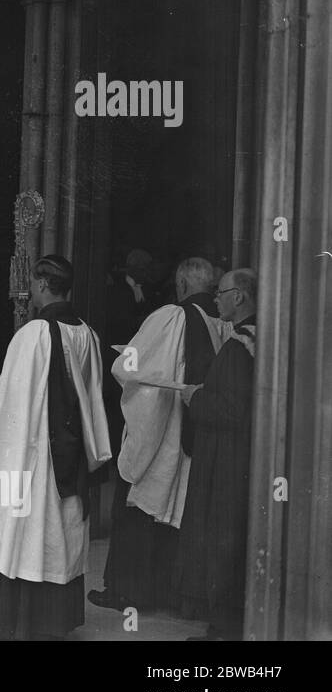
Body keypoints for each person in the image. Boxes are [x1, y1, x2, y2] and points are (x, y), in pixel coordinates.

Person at [0, 254, 111, 640]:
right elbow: (92, 400)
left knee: (26, 535)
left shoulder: (32, 334)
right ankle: (53, 623)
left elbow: (11, 403)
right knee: (58, 538)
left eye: (34, 283)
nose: (31, 289)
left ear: (43, 285)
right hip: (69, 455)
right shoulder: (87, 333)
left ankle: (19, 622)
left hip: (31, 453)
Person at [91, 257, 225, 612]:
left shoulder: (172, 316)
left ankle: (127, 593)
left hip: (166, 431)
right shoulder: (223, 321)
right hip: (196, 436)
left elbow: (129, 365)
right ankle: (169, 593)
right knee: (174, 516)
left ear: (181, 286)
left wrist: (125, 363)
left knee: (139, 504)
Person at [173, 268, 258, 641]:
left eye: (220, 293)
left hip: (229, 461)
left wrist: (196, 397)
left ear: (239, 296)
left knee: (224, 537)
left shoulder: (241, 345)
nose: (215, 299)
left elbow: (234, 410)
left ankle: (224, 629)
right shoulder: (252, 338)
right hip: (235, 458)